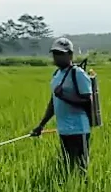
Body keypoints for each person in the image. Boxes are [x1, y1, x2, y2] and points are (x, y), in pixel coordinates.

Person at [31, 37, 93, 172]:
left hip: (78, 129)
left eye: (61, 54)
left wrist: (64, 96)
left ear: (70, 55)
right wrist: (41, 125)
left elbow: (88, 100)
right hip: (64, 129)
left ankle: (82, 191)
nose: (57, 57)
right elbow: (53, 102)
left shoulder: (78, 74)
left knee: (81, 169)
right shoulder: (57, 74)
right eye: (55, 53)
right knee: (67, 167)